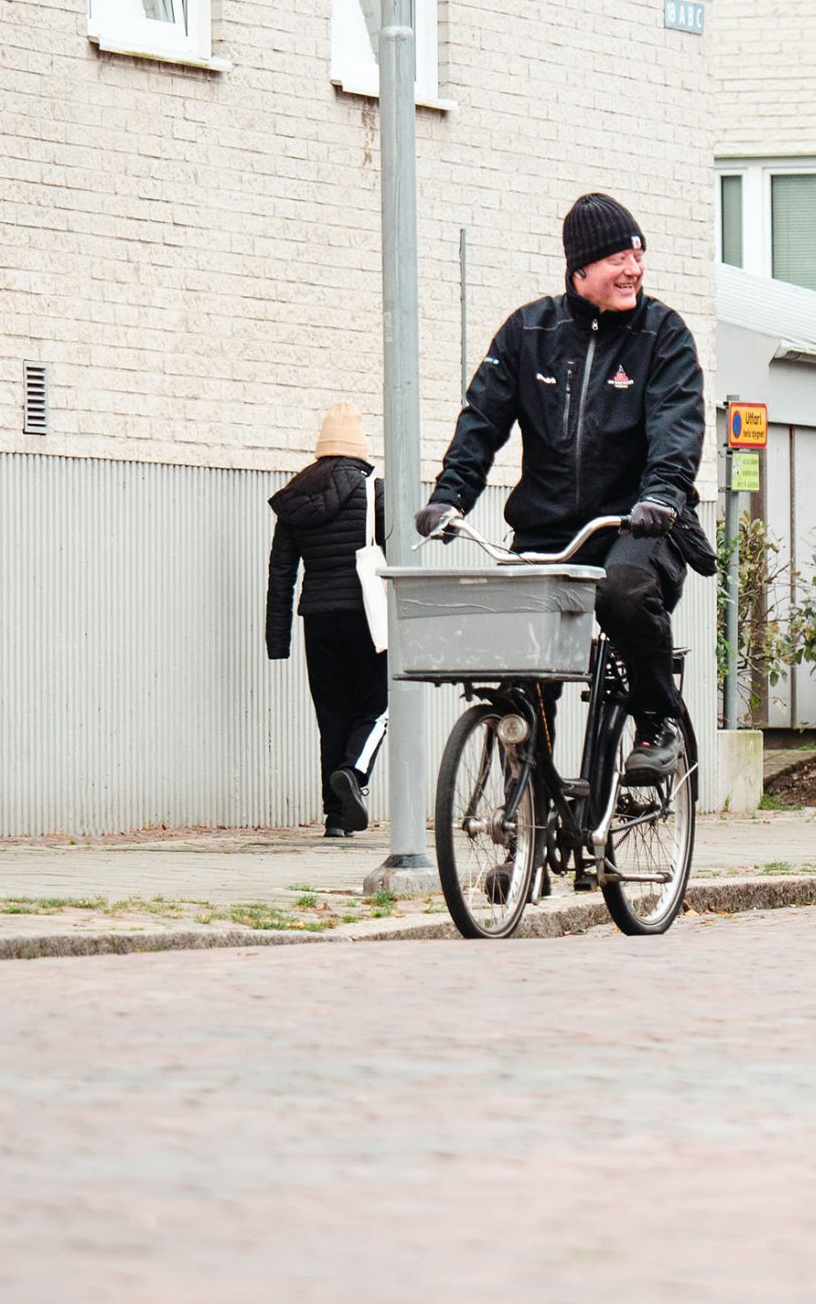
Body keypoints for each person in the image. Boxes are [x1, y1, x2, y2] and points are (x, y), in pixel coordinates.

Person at [415, 193, 708, 800]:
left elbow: (676, 427)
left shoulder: (663, 337)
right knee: (522, 669)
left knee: (624, 592)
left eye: (638, 254)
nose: (634, 268)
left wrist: (661, 495)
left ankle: (657, 724)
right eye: (618, 258)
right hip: (547, 530)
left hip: (636, 524)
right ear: (580, 269)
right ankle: (524, 821)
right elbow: (480, 425)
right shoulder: (529, 333)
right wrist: (450, 498)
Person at [266, 401, 388, 837]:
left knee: (332, 714)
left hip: (316, 617)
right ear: (359, 445)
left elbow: (282, 573)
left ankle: (335, 817)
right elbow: (396, 559)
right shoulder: (373, 490)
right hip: (365, 616)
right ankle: (353, 774)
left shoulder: (296, 496)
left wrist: (277, 640)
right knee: (377, 708)